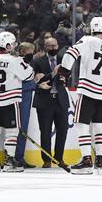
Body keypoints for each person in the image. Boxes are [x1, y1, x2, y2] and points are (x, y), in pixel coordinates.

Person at [60, 16, 102, 174]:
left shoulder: (87, 40)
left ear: (91, 29)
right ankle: (100, 161)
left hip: (88, 89)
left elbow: (70, 53)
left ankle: (87, 160)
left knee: (82, 124)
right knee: (100, 125)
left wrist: (64, 72)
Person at [0, 31, 34, 172]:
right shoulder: (14, 60)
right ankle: (9, 161)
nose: (15, 46)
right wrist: (22, 61)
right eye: (13, 43)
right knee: (11, 133)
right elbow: (29, 75)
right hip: (9, 102)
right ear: (8, 45)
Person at [31, 37, 69, 169]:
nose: (53, 48)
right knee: (45, 131)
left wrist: (46, 76)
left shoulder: (64, 60)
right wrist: (51, 74)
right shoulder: (37, 61)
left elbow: (67, 77)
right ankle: (46, 159)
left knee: (62, 131)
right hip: (44, 101)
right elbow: (36, 80)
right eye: (49, 46)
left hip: (61, 100)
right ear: (45, 47)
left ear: (58, 45)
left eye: (54, 45)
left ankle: (59, 158)